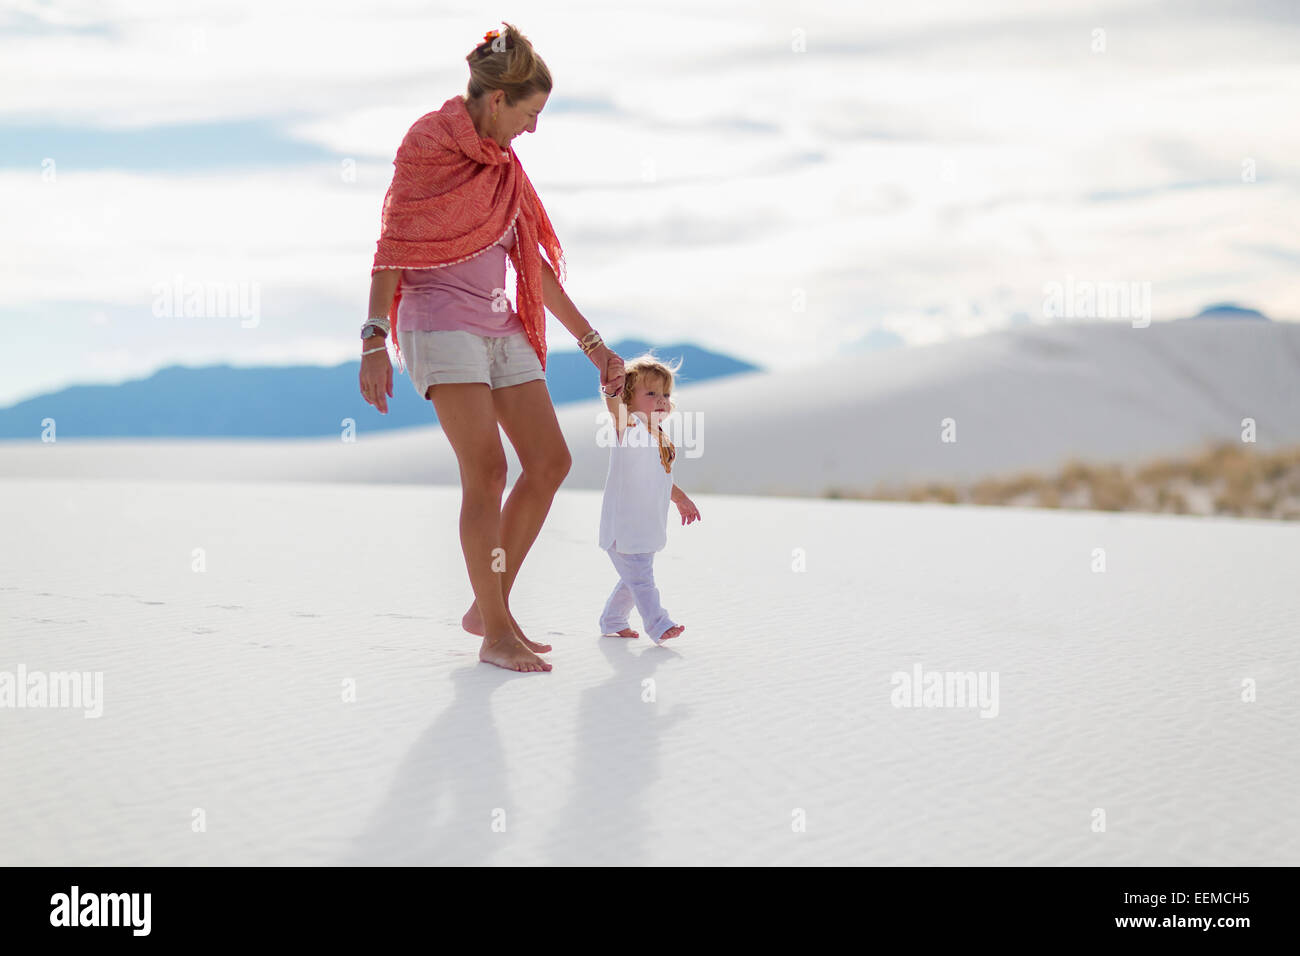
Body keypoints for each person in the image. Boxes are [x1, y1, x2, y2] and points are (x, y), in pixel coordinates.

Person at [358, 23, 626, 673]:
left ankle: (490, 605)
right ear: (498, 100)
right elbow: (394, 242)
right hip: (437, 322)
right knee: (487, 471)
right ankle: (496, 633)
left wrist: (596, 348)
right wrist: (371, 338)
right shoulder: (427, 144)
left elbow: (532, 269)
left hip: (499, 323)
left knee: (549, 461)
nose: (533, 130)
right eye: (530, 114)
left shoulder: (505, 168)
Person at [597, 355, 701, 644]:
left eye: (666, 395)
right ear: (629, 398)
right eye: (651, 393)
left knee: (633, 581)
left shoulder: (657, 437)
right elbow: (614, 409)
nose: (661, 400)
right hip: (624, 527)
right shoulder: (630, 428)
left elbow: (661, 478)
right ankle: (658, 624)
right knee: (641, 580)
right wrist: (611, 391)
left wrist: (680, 499)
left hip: (645, 526)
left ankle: (612, 620)